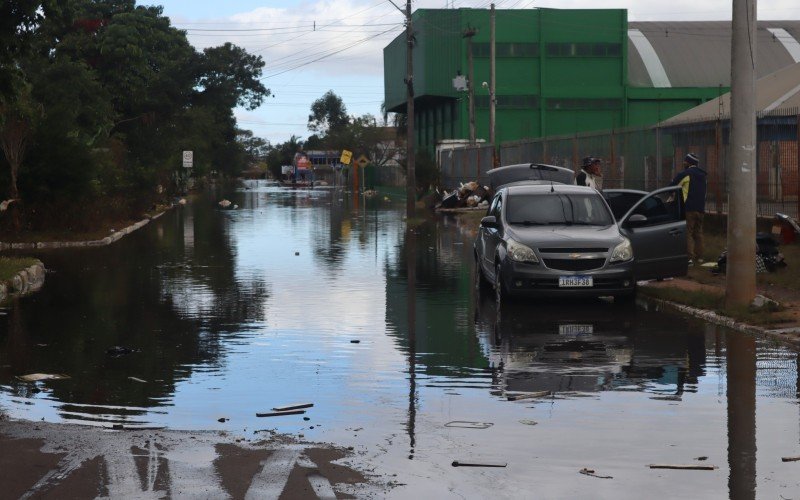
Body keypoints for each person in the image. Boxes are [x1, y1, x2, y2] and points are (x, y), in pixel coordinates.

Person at [670, 153, 707, 266]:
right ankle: (700, 257)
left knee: (688, 233)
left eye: (685, 161)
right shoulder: (703, 175)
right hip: (701, 209)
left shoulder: (686, 174)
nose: (683, 163)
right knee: (698, 233)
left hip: (689, 208)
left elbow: (672, 185)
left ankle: (689, 259)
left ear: (689, 162)